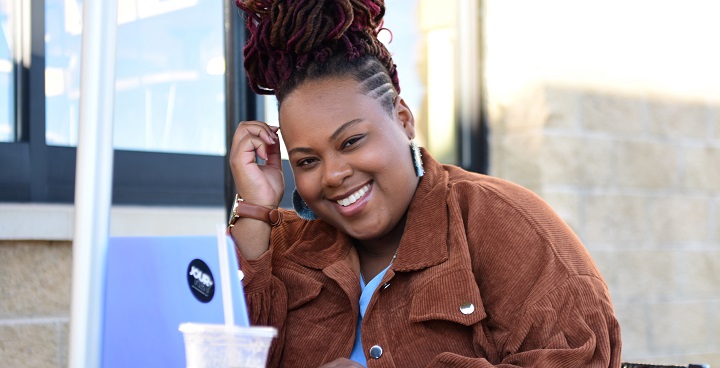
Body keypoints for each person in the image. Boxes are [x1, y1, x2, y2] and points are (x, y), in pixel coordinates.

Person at [227, 0, 622, 367]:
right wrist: (253, 207)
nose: (332, 175)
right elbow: (224, 352)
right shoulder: (282, 246)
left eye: (351, 142)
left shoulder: (502, 223)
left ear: (403, 119)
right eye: (307, 161)